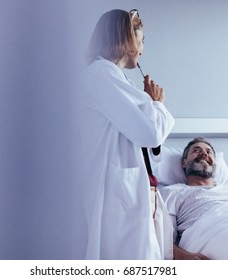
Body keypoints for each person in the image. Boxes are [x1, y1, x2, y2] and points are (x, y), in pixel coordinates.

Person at [80, 9, 175, 259]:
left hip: (129, 193)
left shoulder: (113, 78)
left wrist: (148, 103)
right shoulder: (102, 74)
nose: (142, 49)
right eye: (141, 41)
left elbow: (145, 146)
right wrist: (157, 103)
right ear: (127, 40)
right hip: (115, 196)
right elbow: (151, 133)